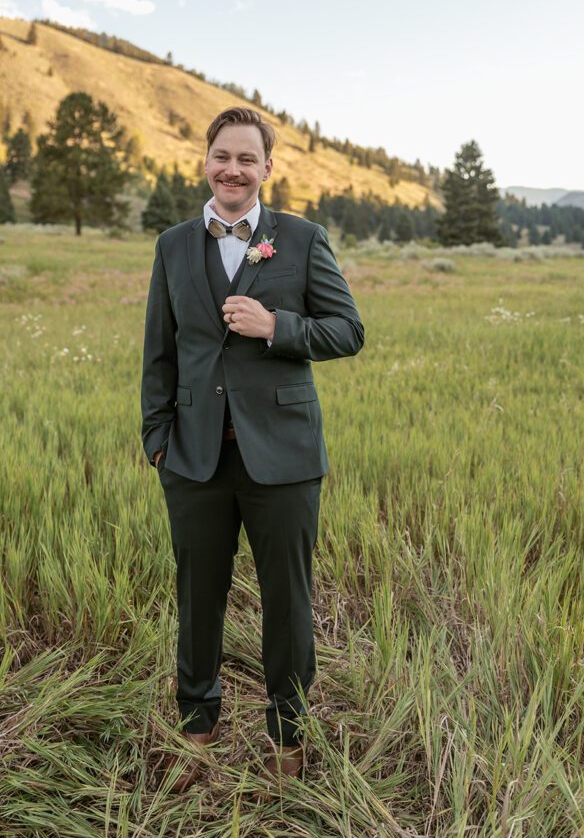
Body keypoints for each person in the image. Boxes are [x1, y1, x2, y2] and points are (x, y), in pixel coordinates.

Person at [141, 106, 364, 792]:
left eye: (246, 158)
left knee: (287, 602)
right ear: (203, 161)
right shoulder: (174, 245)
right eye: (221, 156)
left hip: (284, 460)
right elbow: (159, 352)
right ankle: (197, 734)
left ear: (267, 169)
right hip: (194, 459)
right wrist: (157, 441)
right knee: (196, 598)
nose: (232, 169)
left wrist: (276, 326)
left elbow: (347, 330)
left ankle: (287, 738)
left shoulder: (299, 239)